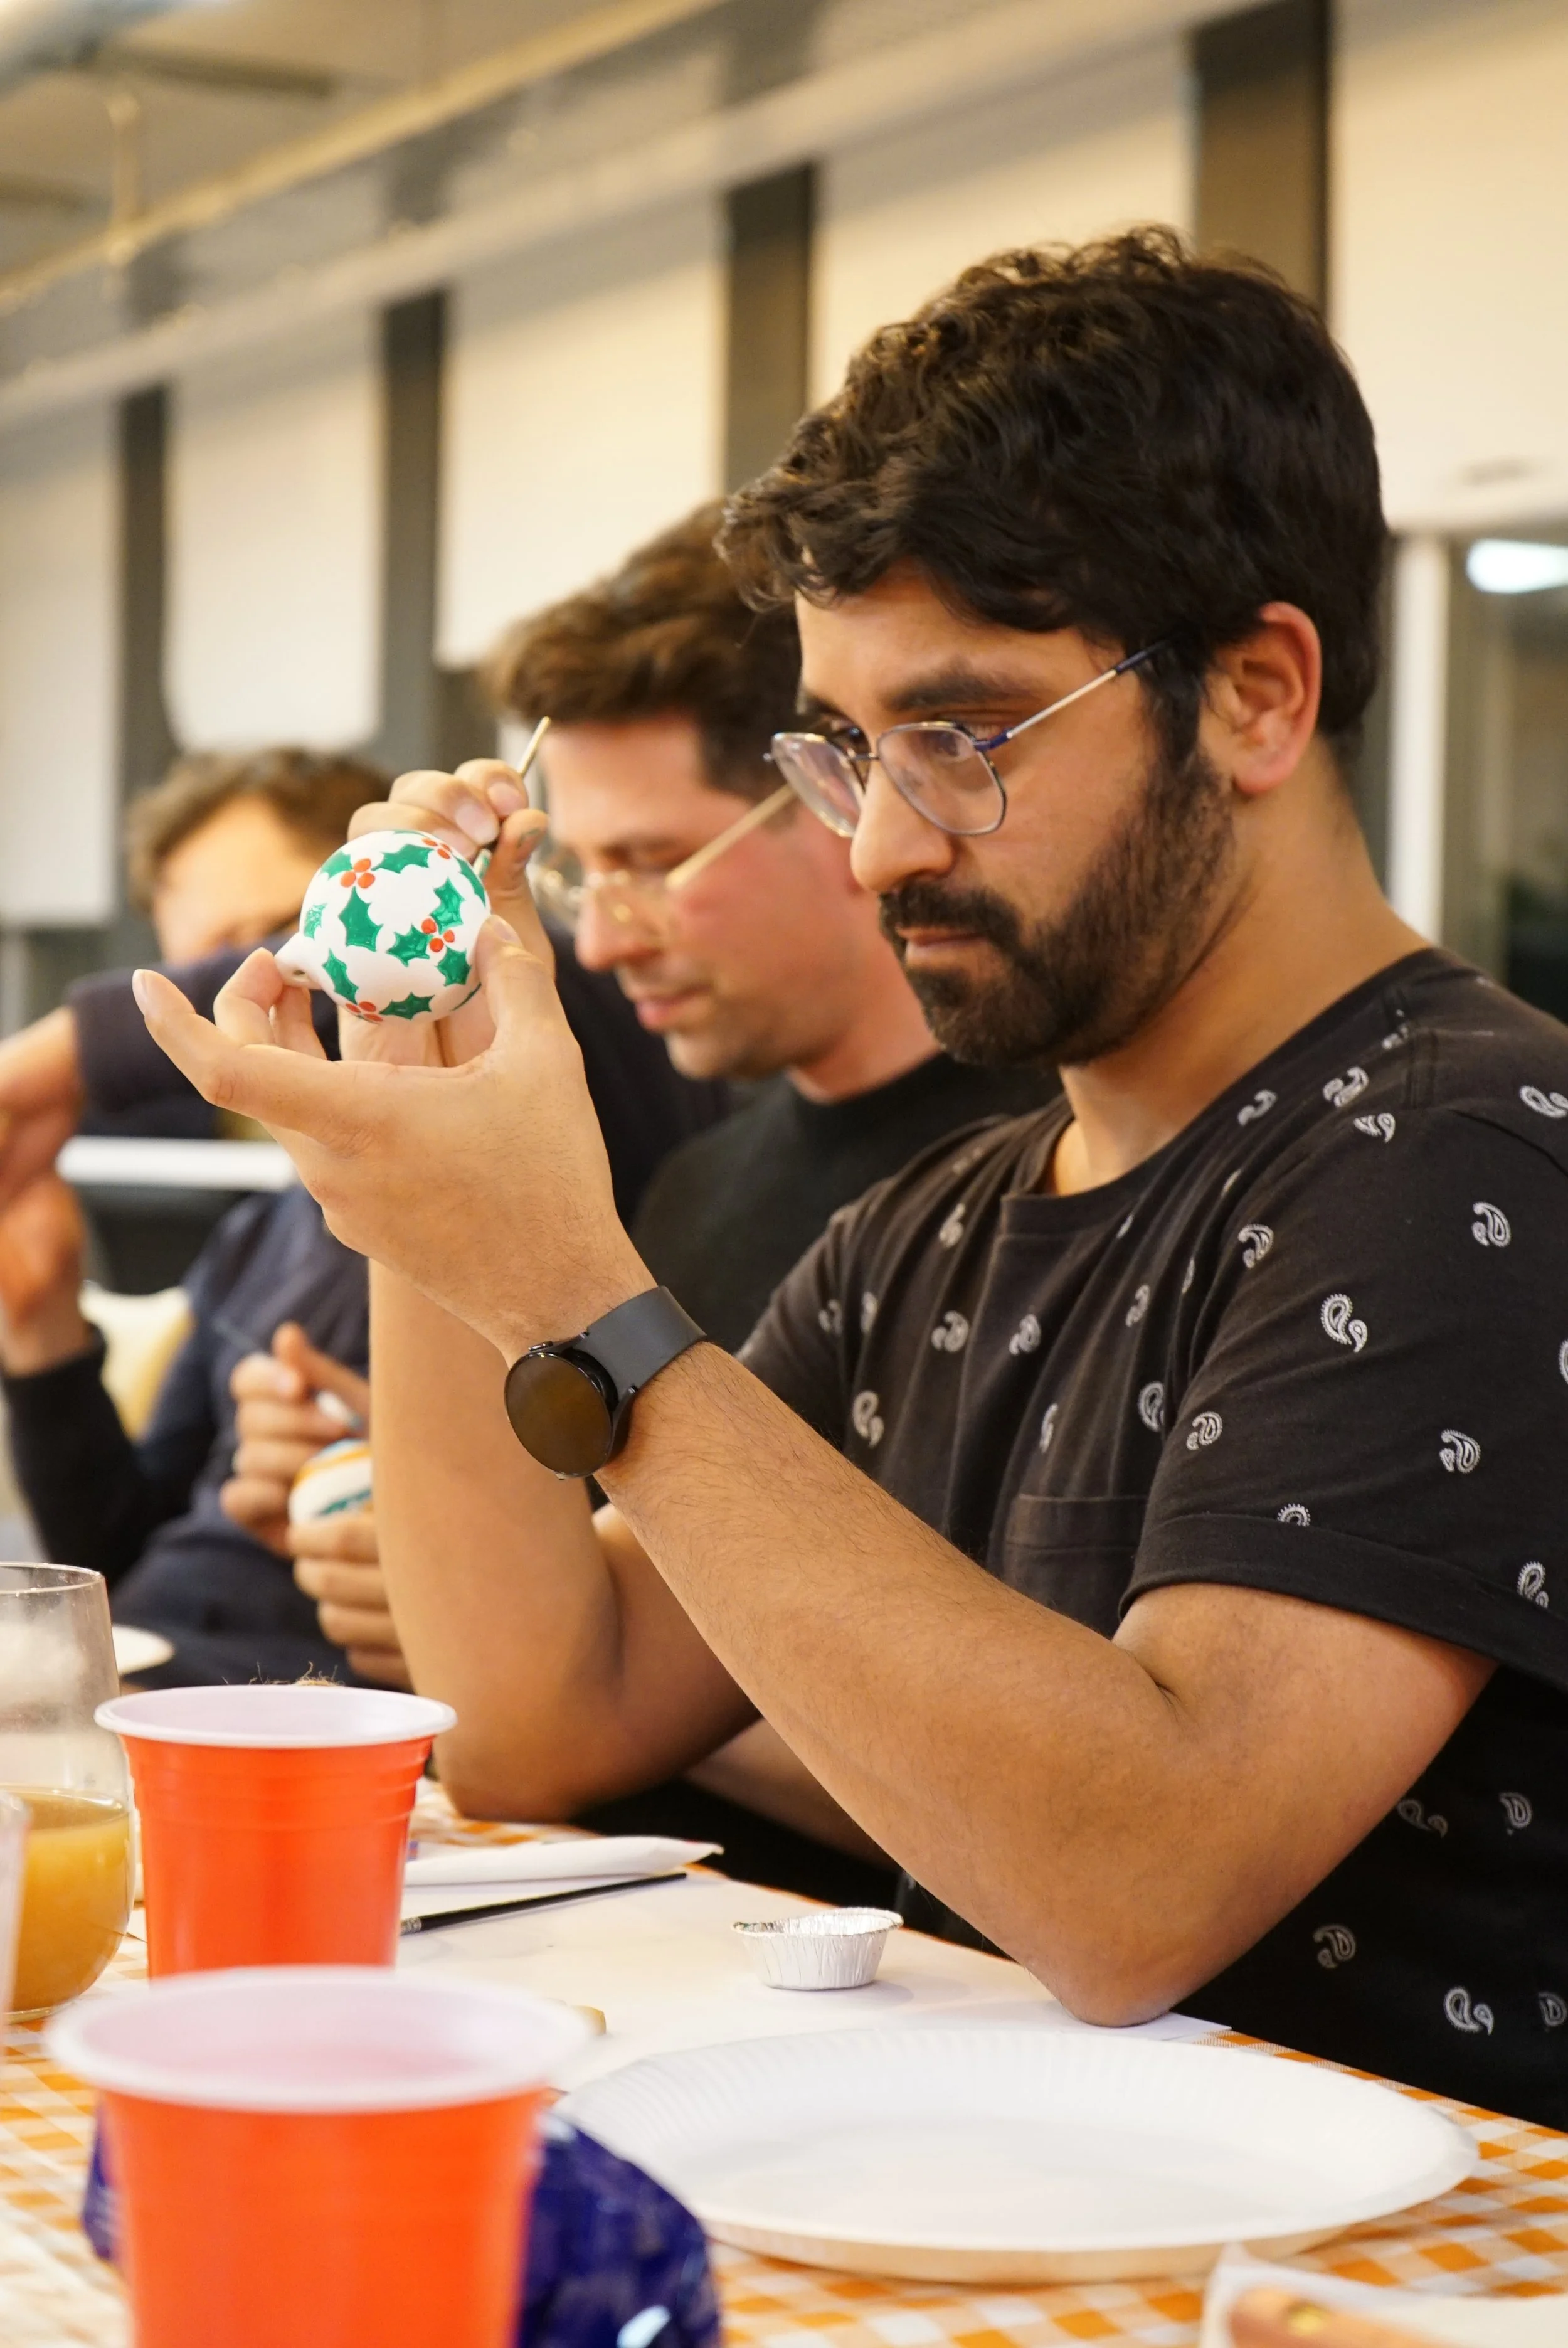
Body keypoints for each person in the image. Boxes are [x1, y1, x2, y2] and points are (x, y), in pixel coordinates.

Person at [135, 231, 1568, 2128]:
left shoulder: (1464, 1150)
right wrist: (421, 1152)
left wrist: (579, 1291)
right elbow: (540, 1715)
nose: (882, 844)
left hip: (1399, 2248)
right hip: (1028, 2198)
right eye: (846, 750)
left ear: (1253, 695)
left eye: (960, 739)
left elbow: (1139, 1881)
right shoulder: (941, 1222)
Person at [263, 507, 1051, 1896]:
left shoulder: (1033, 1178)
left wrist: (563, 1635)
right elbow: (550, 1688)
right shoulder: (699, 1184)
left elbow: (1039, 1763)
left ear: (830, 797)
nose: (606, 935)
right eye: (584, 873)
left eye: (649, 863)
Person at [0, 747, 724, 1684]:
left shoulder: (566, 1099)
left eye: (276, 934)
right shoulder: (253, 1239)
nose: (255, 983)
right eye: (202, 961)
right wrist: (40, 1326)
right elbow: (119, 1561)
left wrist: (65, 1054)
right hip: (142, 1682)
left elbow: (542, 967)